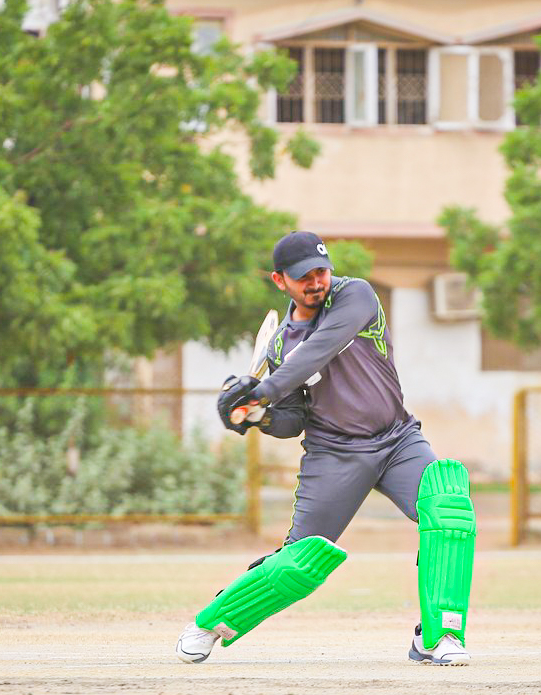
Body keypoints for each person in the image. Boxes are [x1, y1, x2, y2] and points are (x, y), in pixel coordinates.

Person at [175, 231, 476, 665]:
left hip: (397, 439)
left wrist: (262, 391)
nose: (316, 282)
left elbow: (319, 349)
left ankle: (440, 635)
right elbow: (293, 420)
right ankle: (211, 623)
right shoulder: (281, 345)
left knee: (448, 507)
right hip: (333, 453)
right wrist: (259, 416)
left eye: (321, 271)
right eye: (304, 277)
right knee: (300, 562)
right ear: (280, 281)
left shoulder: (356, 295)